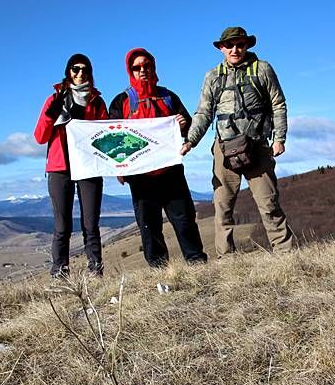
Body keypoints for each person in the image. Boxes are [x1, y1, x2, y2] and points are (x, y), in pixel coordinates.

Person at [181, 27, 294, 256]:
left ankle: (286, 256)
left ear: (247, 46)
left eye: (240, 44)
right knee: (222, 206)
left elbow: (278, 104)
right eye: (230, 45)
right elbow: (203, 113)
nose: (235, 49)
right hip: (225, 148)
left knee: (269, 203)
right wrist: (190, 141)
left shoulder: (262, 69)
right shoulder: (212, 76)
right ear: (221, 48)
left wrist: (279, 138)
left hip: (258, 146)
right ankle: (226, 260)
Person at [108, 48, 207, 267]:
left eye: (146, 66)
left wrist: (183, 126)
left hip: (171, 172)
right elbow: (113, 138)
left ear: (153, 67)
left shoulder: (168, 96)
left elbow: (188, 127)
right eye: (137, 67)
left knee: (184, 221)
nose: (142, 70)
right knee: (149, 226)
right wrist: (119, 168)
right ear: (130, 70)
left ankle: (197, 264)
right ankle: (160, 272)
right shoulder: (121, 101)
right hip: (140, 177)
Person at [34, 53, 108, 277]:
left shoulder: (97, 101)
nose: (80, 73)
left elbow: (105, 134)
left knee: (90, 224)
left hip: (88, 166)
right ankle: (60, 273)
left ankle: (96, 271)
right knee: (62, 225)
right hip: (60, 167)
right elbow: (40, 137)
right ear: (68, 72)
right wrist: (50, 115)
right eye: (75, 69)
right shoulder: (55, 99)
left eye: (85, 69)